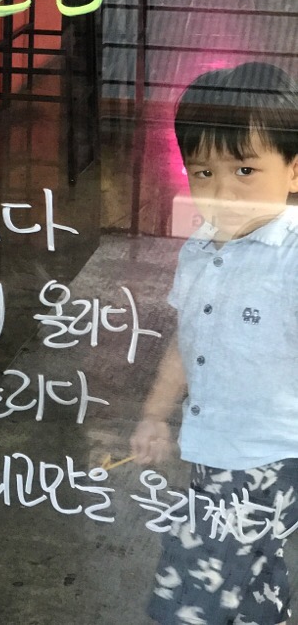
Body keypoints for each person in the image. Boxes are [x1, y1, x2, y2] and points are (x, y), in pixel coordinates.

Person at [131, 61, 298, 625]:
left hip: (267, 457)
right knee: (251, 573)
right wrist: (155, 414)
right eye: (203, 172)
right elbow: (188, 341)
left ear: (294, 171)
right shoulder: (200, 249)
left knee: (192, 579)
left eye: (245, 170)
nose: (222, 192)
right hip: (214, 446)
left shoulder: (293, 259)